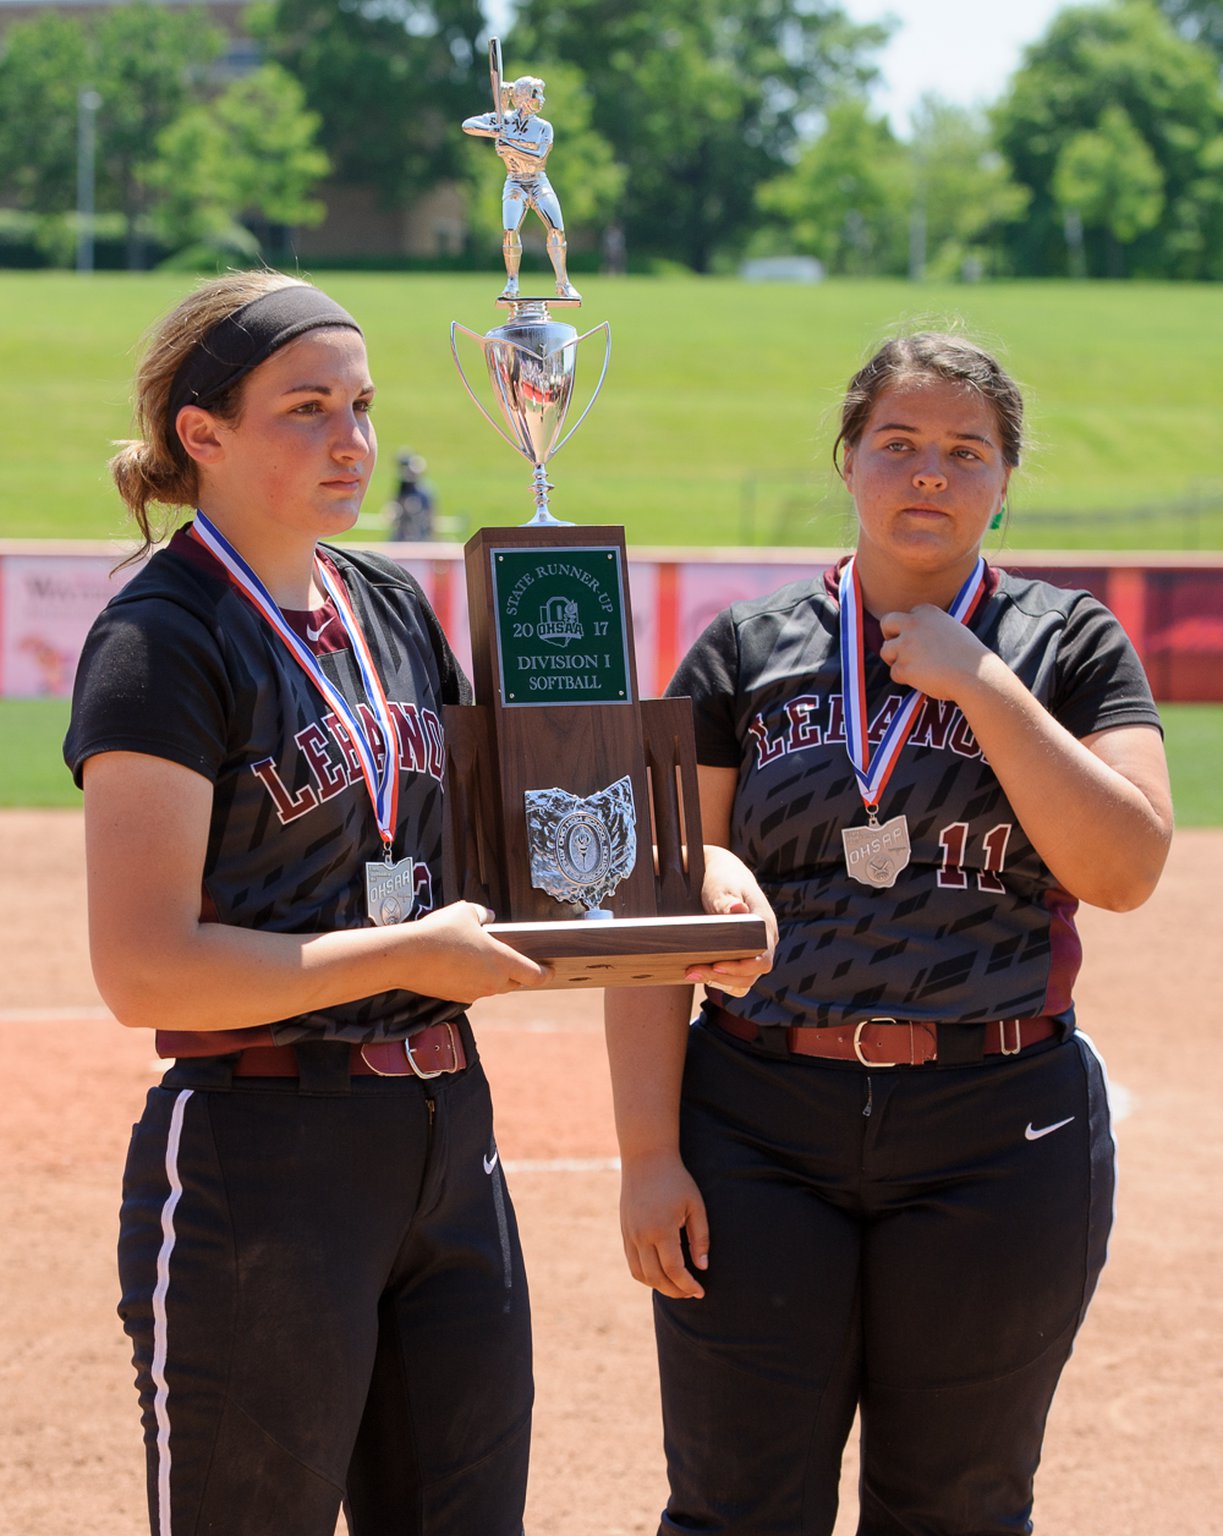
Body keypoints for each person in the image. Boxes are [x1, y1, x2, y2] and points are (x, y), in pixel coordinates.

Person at [64, 270, 770, 1536]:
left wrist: (686, 878)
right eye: (306, 409)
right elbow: (146, 969)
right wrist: (403, 951)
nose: (352, 441)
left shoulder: (385, 604)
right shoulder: (160, 639)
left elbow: (515, 826)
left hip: (446, 1133)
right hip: (261, 1142)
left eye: (362, 405)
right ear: (201, 435)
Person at [604, 332, 1173, 1536]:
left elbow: (1123, 868)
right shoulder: (742, 650)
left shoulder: (1066, 648)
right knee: (733, 1508)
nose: (929, 473)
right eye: (898, 444)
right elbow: (651, 919)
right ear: (848, 461)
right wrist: (648, 1154)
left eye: (965, 451)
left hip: (998, 1122)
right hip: (756, 1120)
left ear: (1003, 481)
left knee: (957, 1508)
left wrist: (985, 685)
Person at [462, 74, 581, 302]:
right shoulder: (503, 120)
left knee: (556, 228)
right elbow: (468, 125)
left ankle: (563, 283)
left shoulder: (544, 128)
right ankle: (512, 282)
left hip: (537, 181)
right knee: (510, 231)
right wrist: (495, 131)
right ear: (524, 97)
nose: (542, 100)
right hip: (515, 181)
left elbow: (538, 156)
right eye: (537, 94)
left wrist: (510, 145)